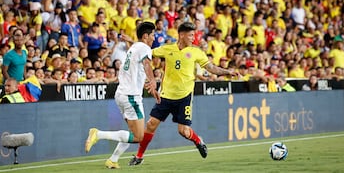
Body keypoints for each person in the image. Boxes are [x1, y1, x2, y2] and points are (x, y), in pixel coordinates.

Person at [129, 22, 238, 165]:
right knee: (150, 125)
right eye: (191, 35)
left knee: (183, 131)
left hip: (184, 97)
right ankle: (139, 157)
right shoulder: (167, 49)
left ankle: (198, 141)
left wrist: (227, 72)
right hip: (166, 95)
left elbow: (211, 68)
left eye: (194, 35)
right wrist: (133, 43)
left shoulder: (196, 52)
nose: (193, 38)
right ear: (181, 35)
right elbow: (146, 51)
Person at [84, 22, 160, 169]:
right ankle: (98, 134)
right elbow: (146, 64)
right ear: (146, 36)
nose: (154, 38)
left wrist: (130, 40)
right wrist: (153, 81)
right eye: (152, 35)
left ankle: (113, 159)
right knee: (138, 136)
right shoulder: (144, 48)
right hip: (131, 96)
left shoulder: (135, 47)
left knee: (131, 132)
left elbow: (139, 57)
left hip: (122, 93)